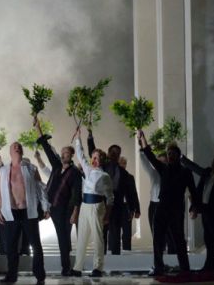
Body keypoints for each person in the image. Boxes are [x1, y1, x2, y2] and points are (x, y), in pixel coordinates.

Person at [138, 129, 198, 276]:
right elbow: (150, 156)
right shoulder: (163, 168)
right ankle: (158, 267)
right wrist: (143, 139)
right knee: (157, 239)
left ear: (178, 156)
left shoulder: (185, 172)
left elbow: (193, 191)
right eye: (168, 154)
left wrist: (194, 207)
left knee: (178, 240)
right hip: (162, 207)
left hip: (177, 209)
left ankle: (185, 268)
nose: (170, 156)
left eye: (173, 154)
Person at [0, 140, 48, 285]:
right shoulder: (3, 171)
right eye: (14, 146)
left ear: (22, 151)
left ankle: (40, 275)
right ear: (10, 152)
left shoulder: (31, 168)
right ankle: (11, 276)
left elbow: (41, 188)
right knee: (11, 247)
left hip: (28, 211)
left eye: (19, 146)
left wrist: (46, 207)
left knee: (36, 245)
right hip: (10, 212)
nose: (17, 147)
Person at [35, 119, 81, 277]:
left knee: (63, 237)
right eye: (62, 153)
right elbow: (47, 150)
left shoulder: (75, 173)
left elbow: (76, 194)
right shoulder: (56, 166)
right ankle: (64, 265)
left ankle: (66, 267)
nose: (63, 155)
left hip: (65, 210)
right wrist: (39, 129)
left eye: (66, 153)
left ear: (71, 155)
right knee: (63, 238)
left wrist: (75, 212)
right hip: (51, 207)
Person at [86, 129, 139, 255]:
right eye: (113, 152)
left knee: (115, 233)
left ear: (119, 155)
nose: (115, 154)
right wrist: (90, 137)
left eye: (117, 153)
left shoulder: (124, 174)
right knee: (101, 233)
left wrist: (134, 209)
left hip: (117, 206)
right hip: (101, 203)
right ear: (108, 153)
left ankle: (115, 259)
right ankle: (100, 258)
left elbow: (131, 192)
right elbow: (93, 152)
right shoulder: (101, 166)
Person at [180, 151, 214, 273]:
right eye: (213, 161)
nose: (213, 164)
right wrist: (183, 158)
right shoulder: (207, 173)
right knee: (209, 240)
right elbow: (195, 168)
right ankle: (210, 265)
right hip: (205, 210)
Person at [72, 126, 113, 278]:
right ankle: (77, 267)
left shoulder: (105, 176)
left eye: (97, 158)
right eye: (94, 157)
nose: (94, 160)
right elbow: (80, 155)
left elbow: (110, 199)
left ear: (102, 160)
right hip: (85, 206)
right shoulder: (88, 170)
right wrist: (78, 138)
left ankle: (98, 267)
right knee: (82, 237)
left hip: (97, 206)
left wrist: (107, 215)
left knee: (97, 238)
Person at [140, 142, 176, 256]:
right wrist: (141, 148)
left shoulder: (171, 172)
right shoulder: (153, 172)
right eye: (158, 161)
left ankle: (172, 257)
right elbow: (145, 162)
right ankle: (159, 259)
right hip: (154, 205)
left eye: (162, 161)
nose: (159, 164)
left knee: (170, 234)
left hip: (167, 205)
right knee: (156, 234)